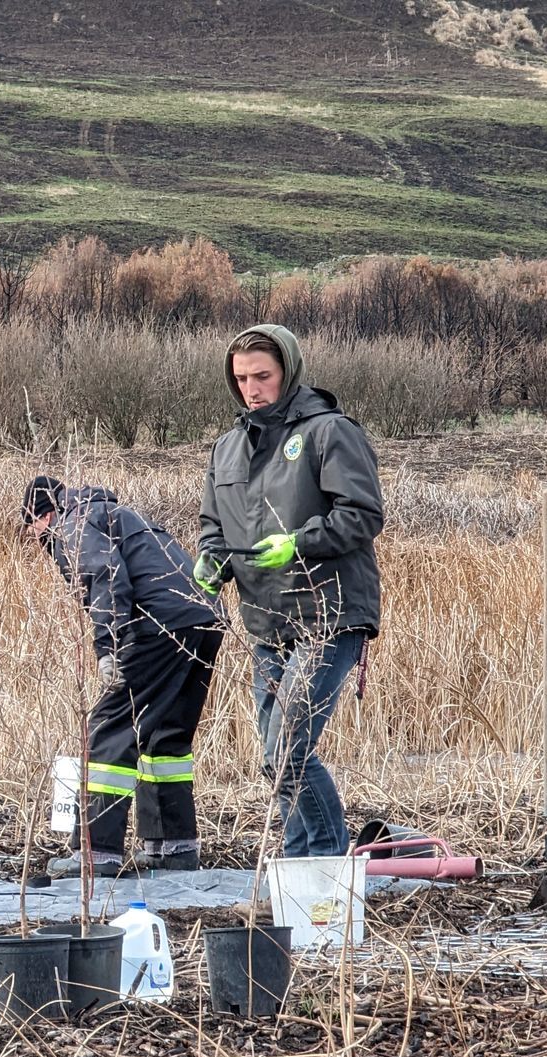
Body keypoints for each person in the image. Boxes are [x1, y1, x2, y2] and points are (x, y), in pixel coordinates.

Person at [196, 324, 383, 859]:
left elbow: (363, 515)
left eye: (263, 376)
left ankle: (324, 867)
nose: (252, 389)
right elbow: (214, 523)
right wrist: (210, 559)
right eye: (242, 379)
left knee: (287, 747)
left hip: (330, 613)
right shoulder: (228, 448)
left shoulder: (330, 432)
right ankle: (299, 866)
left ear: (288, 372)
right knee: (276, 757)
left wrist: (299, 543)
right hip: (266, 621)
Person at [21, 476, 224, 877]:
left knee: (111, 728)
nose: (34, 540)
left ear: (41, 516)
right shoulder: (116, 513)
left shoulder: (72, 524)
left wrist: (108, 647)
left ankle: (97, 855)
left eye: (31, 530)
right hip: (204, 620)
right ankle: (174, 848)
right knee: (166, 731)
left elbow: (106, 575)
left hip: (160, 626)